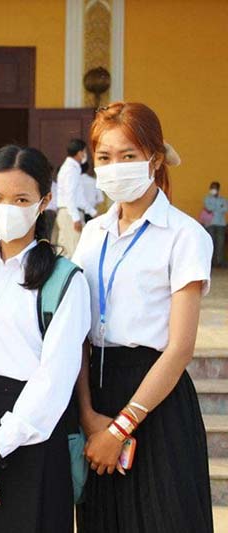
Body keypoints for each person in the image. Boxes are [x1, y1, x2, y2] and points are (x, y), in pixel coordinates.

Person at [73, 102, 213, 532]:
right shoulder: (92, 233)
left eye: (128, 155)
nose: (115, 167)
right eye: (104, 157)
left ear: (154, 158)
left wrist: (120, 429)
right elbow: (77, 332)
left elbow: (180, 348)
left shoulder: (185, 235)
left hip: (156, 399)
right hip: (96, 394)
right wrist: (88, 415)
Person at [0, 145, 90, 533]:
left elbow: (54, 378)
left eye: (21, 199)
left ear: (44, 202)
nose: (6, 208)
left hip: (35, 438)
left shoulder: (65, 279)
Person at [56, 138, 89, 257]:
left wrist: (93, 212)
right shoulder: (71, 169)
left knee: (65, 253)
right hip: (70, 214)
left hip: (68, 212)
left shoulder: (72, 168)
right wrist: (76, 218)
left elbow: (79, 197)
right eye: (85, 151)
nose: (85, 155)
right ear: (80, 153)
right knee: (75, 252)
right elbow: (70, 196)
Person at [204, 181, 227, 267]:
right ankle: (211, 262)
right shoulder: (207, 198)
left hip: (221, 224)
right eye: (211, 187)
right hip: (210, 224)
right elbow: (208, 208)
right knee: (211, 243)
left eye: (214, 187)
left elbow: (225, 209)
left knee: (220, 244)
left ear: (218, 189)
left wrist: (214, 208)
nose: (212, 189)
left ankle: (219, 262)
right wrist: (219, 207)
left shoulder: (223, 199)